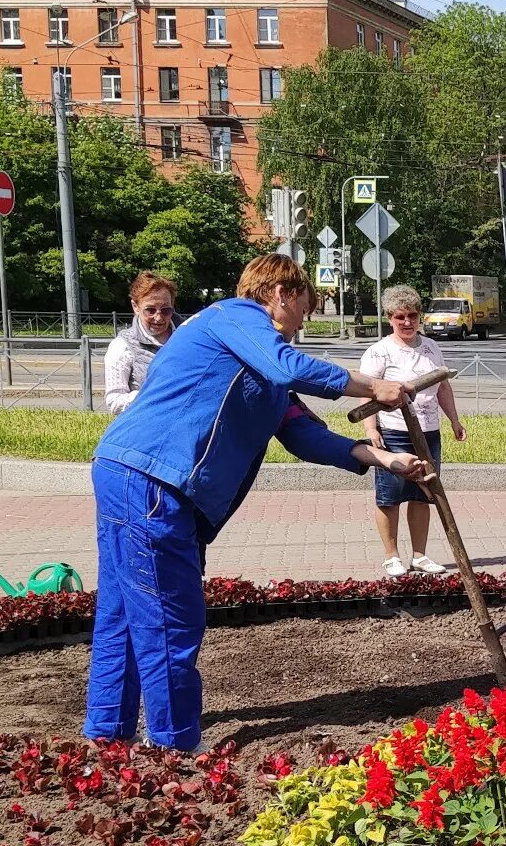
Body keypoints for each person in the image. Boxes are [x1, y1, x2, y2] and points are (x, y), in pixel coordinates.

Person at [85, 254, 427, 753]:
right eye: (304, 309)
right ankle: (174, 748)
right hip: (155, 480)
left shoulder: (258, 362)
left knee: (123, 611)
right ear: (281, 294)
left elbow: (304, 433)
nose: (303, 323)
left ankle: (107, 736)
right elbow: (288, 364)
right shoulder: (236, 317)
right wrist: (373, 384)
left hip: (130, 472)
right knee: (169, 619)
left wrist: (385, 460)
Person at [359, 285, 465, 576]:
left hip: (428, 432)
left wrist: (454, 421)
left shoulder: (431, 347)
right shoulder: (379, 352)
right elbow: (366, 392)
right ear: (389, 318)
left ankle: (420, 555)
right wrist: (371, 428)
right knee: (390, 495)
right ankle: (391, 555)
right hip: (392, 432)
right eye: (400, 316)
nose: (407, 322)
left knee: (424, 494)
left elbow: (442, 386)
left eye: (413, 316)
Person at [103, 271, 178, 415]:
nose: (158, 317)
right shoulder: (122, 346)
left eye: (166, 310)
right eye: (150, 310)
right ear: (135, 306)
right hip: (146, 427)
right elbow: (114, 402)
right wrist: (153, 394)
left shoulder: (187, 336)